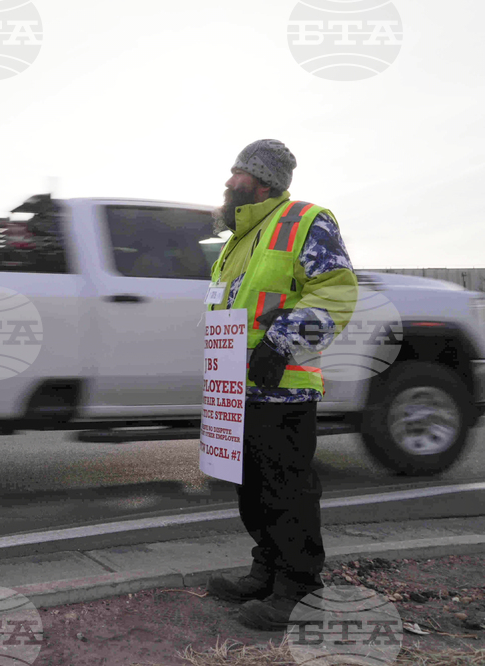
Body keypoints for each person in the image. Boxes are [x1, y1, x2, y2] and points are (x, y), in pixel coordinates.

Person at [204, 139, 359, 630]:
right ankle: (267, 571)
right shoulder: (237, 239)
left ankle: (300, 588)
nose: (228, 182)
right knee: (252, 489)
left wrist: (281, 342)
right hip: (237, 388)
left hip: (284, 384)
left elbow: (335, 291)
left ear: (263, 181)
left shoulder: (305, 220)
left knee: (286, 490)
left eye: (237, 173)